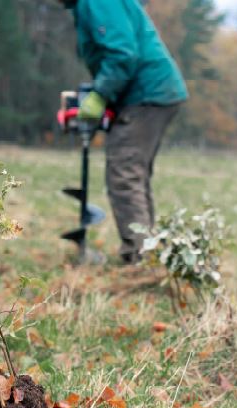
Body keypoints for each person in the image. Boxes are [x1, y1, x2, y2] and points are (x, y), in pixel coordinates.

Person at [57, 0, 188, 263]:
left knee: (125, 175)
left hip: (148, 94)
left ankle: (140, 259)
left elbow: (122, 54)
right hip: (148, 93)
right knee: (133, 176)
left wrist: (100, 95)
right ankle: (148, 253)